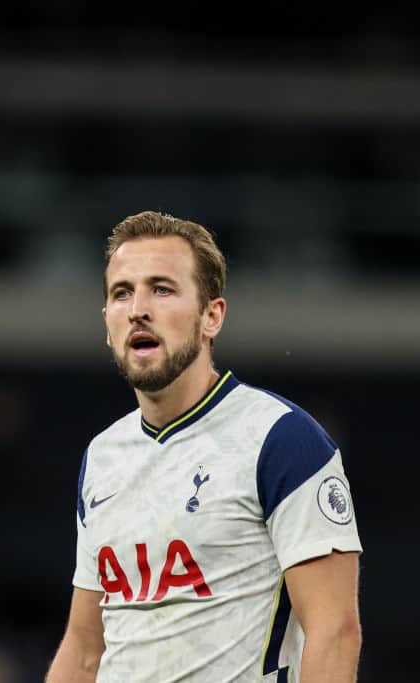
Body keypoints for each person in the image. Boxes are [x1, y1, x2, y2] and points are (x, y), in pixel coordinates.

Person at [45, 212, 362, 682]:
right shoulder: (102, 456)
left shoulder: (282, 440)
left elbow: (334, 632)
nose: (138, 309)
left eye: (163, 289)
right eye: (122, 292)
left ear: (212, 316)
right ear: (107, 323)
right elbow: (86, 648)